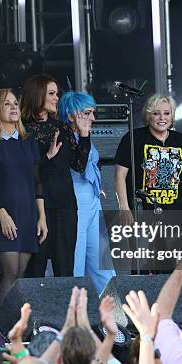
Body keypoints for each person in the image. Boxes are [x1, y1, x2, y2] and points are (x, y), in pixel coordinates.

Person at [0, 88, 48, 302]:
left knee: (21, 273)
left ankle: (18, 326)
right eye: (7, 104)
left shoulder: (29, 141)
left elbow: (37, 183)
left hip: (27, 214)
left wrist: (42, 217)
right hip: (3, 215)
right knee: (11, 271)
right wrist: (2, 214)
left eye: (15, 103)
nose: (14, 107)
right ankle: (4, 330)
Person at [20, 74, 91, 277]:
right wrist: (47, 157)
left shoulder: (62, 127)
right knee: (35, 268)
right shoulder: (22, 129)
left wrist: (84, 136)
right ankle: (33, 309)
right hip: (35, 205)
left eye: (56, 94)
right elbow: (19, 171)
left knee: (65, 267)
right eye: (51, 93)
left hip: (65, 203)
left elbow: (78, 165)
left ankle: (67, 309)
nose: (56, 98)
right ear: (37, 95)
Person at [57, 91, 116, 293]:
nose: (93, 118)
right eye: (88, 113)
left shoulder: (83, 135)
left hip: (92, 201)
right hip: (75, 204)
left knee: (102, 263)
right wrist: (83, 135)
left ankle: (116, 319)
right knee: (77, 263)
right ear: (72, 114)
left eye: (93, 113)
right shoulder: (63, 137)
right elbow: (78, 166)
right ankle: (75, 319)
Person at [114, 94, 182, 217]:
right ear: (148, 115)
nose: (162, 118)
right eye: (156, 113)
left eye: (167, 113)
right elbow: (119, 176)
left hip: (173, 216)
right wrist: (124, 208)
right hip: (141, 215)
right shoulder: (133, 139)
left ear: (172, 116)